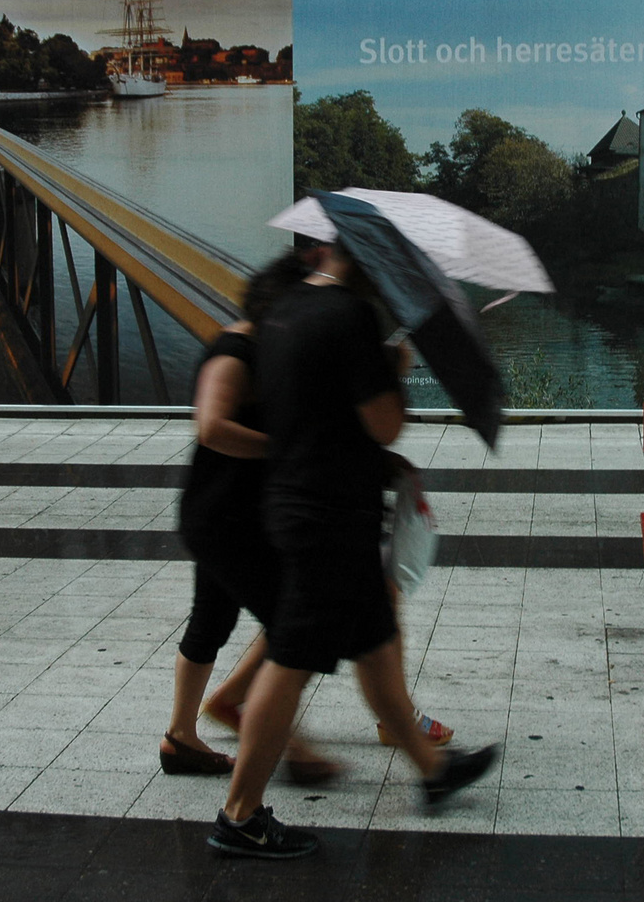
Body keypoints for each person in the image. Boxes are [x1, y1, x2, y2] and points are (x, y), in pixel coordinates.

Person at [207, 243, 496, 860]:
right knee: (291, 658)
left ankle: (432, 768)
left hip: (298, 499)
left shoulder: (284, 311)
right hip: (329, 513)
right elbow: (385, 424)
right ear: (367, 259)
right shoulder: (350, 318)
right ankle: (240, 814)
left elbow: (308, 407)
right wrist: (396, 366)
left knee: (374, 638)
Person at [160, 253, 336, 782]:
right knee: (291, 624)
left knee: (212, 620)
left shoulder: (270, 350)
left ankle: (180, 738)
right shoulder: (234, 352)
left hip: (230, 514)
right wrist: (282, 449)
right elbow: (211, 427)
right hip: (222, 516)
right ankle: (291, 747)